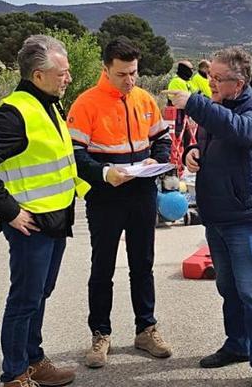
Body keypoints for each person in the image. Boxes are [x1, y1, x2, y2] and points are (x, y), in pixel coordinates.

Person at [0, 35, 84, 387]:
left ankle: (34, 359)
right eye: (62, 72)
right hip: (31, 226)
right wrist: (9, 211)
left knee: (39, 295)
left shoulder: (49, 103)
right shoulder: (16, 112)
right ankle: (14, 375)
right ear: (37, 75)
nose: (69, 78)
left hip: (56, 220)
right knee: (24, 301)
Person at [164, 47, 252, 387]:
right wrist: (194, 153)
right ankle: (238, 345)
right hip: (218, 215)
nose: (209, 82)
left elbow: (240, 131)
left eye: (216, 78)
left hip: (247, 216)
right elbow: (208, 138)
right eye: (209, 76)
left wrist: (195, 104)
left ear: (239, 83)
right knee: (229, 288)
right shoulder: (217, 109)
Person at [67, 37, 173, 369]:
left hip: (142, 193)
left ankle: (146, 329)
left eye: (134, 73)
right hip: (105, 197)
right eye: (122, 74)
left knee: (143, 264)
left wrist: (157, 164)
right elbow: (75, 154)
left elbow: (162, 139)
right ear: (106, 69)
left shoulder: (144, 99)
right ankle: (100, 334)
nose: (130, 80)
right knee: (103, 268)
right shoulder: (85, 103)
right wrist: (103, 173)